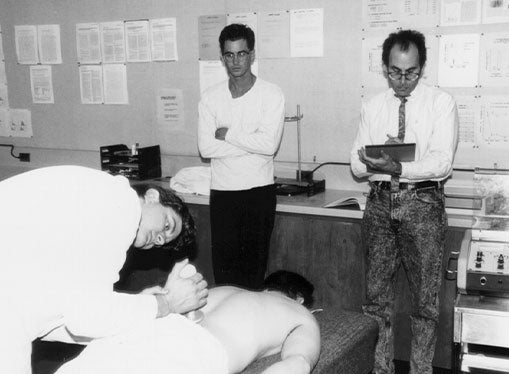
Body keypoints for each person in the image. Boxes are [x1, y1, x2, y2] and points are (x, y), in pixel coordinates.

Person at [0, 165, 209, 374]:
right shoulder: (122, 205)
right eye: (166, 225)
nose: (158, 238)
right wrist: (164, 303)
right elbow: (86, 318)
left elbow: (59, 315)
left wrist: (142, 308)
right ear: (152, 197)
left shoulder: (98, 199)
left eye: (161, 242)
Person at [350, 30, 458, 374]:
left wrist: (399, 166)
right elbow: (355, 163)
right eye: (395, 72)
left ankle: (421, 370)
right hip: (380, 205)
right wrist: (376, 160)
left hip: (423, 205)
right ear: (385, 68)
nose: (402, 80)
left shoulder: (441, 103)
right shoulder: (372, 105)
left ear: (422, 67)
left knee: (425, 304)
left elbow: (442, 162)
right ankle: (381, 370)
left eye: (410, 72)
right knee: (376, 301)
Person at [55, 270, 321, 374]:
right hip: (194, 351)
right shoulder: (300, 314)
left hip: (145, 329)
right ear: (298, 298)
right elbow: (297, 363)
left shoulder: (227, 288)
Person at [198, 23, 285, 289]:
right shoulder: (211, 98)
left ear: (252, 55)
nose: (236, 61)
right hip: (223, 194)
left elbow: (269, 145)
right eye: (229, 54)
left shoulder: (271, 94)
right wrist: (252, 141)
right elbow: (206, 149)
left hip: (258, 194)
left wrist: (228, 134)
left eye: (242, 53)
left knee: (252, 277)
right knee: (225, 278)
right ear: (222, 57)